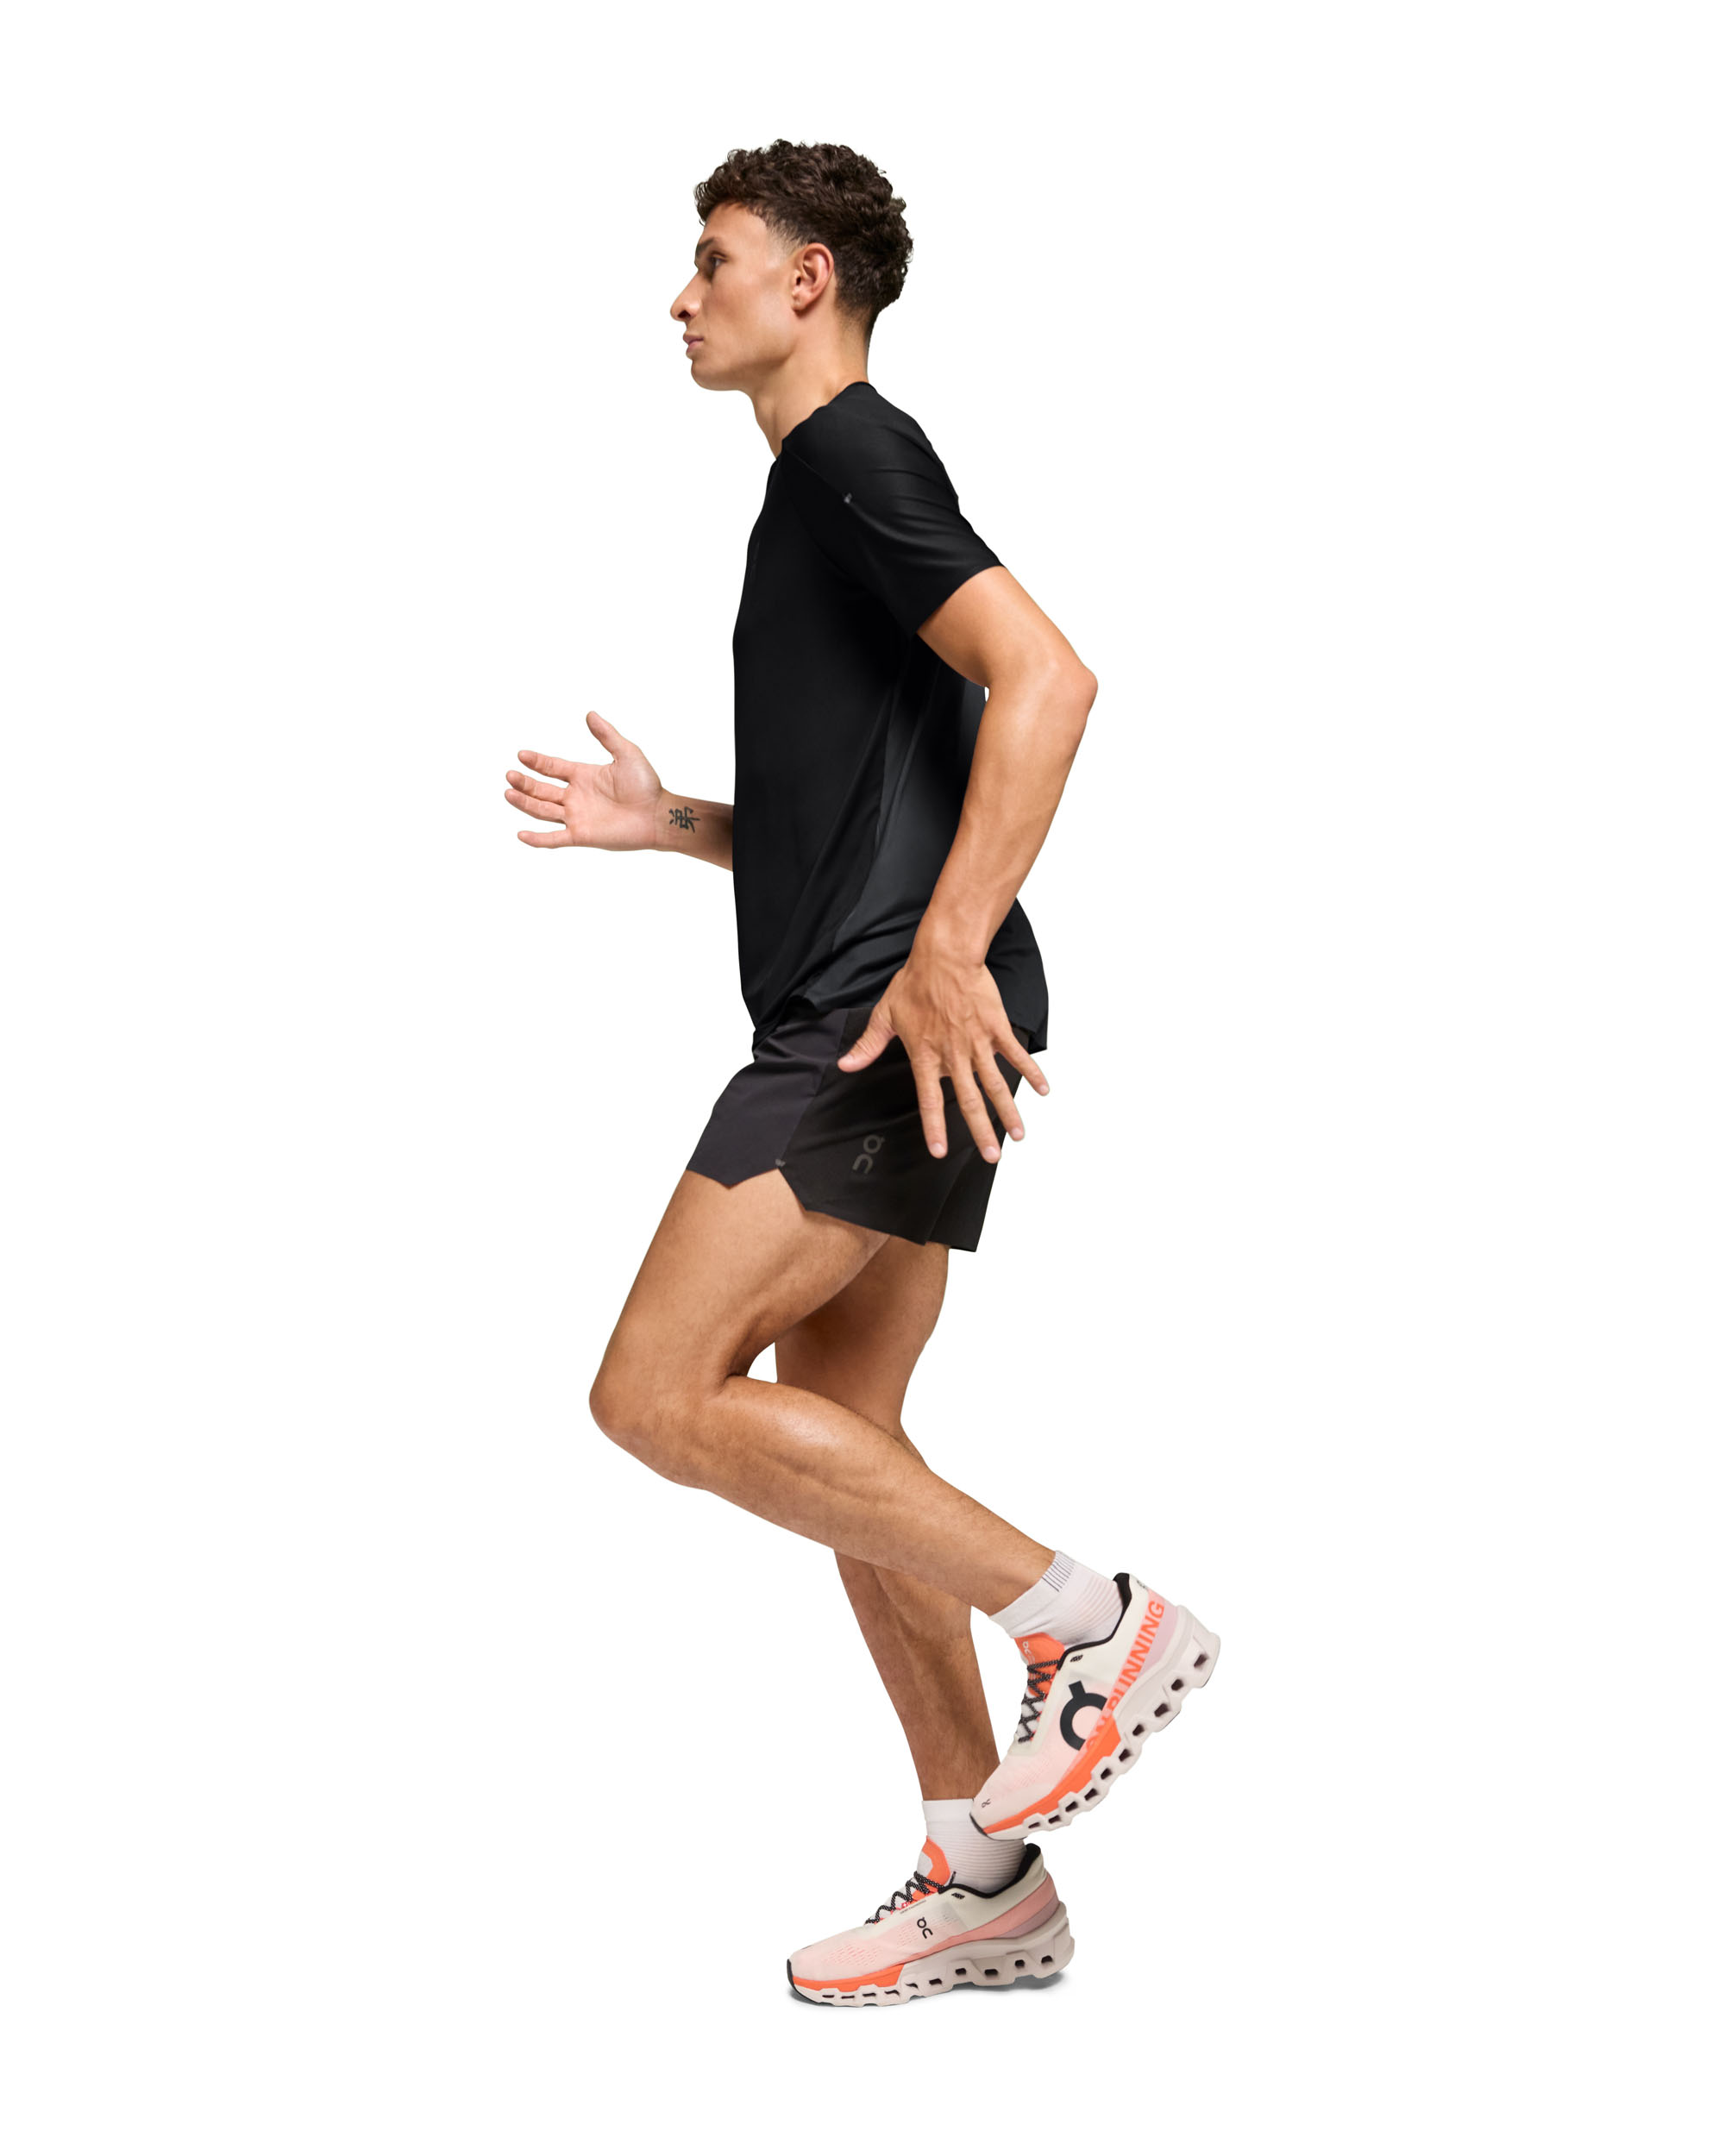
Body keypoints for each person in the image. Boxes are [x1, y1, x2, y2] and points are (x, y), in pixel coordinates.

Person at [502, 139, 1219, 2007]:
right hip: (877, 999)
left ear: (806, 280)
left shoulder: (849, 454)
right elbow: (867, 807)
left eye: (714, 259)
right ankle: (982, 1875)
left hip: (880, 1017)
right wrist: (678, 825)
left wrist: (949, 947)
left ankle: (1096, 1628)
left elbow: (1049, 680)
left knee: (652, 1393)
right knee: (845, 1450)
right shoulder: (813, 492)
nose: (682, 297)